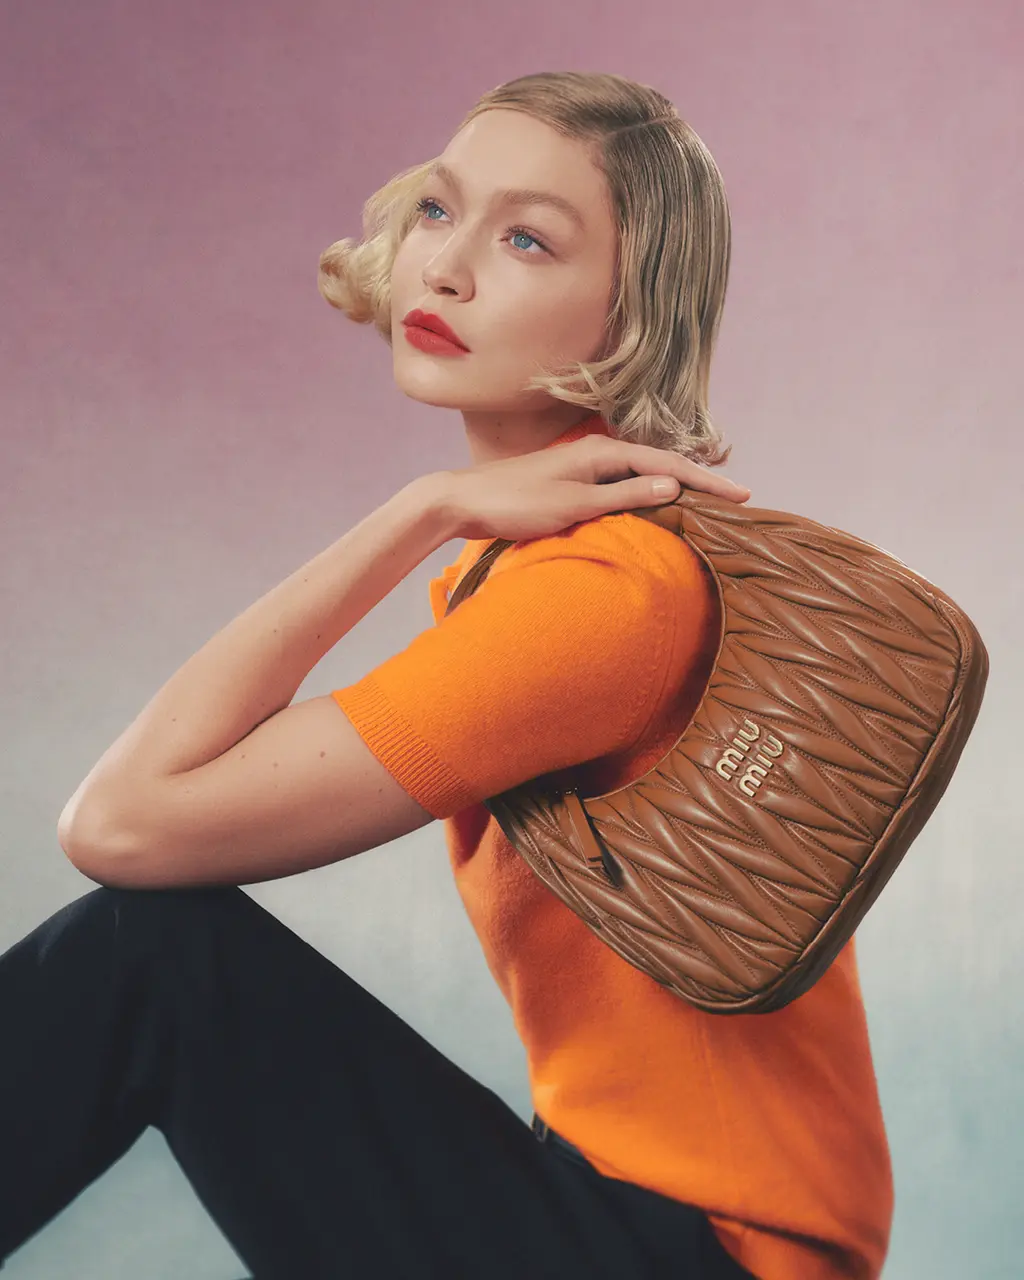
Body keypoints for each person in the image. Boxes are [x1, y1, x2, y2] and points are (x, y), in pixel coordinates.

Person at [0, 71, 892, 1279]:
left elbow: (122, 825)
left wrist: (417, 510)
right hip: (615, 1214)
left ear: (630, 313)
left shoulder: (602, 593)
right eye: (438, 208)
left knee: (154, 955)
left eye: (526, 239)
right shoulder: (548, 566)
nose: (448, 268)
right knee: (157, 951)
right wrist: (441, 515)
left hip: (706, 1256)